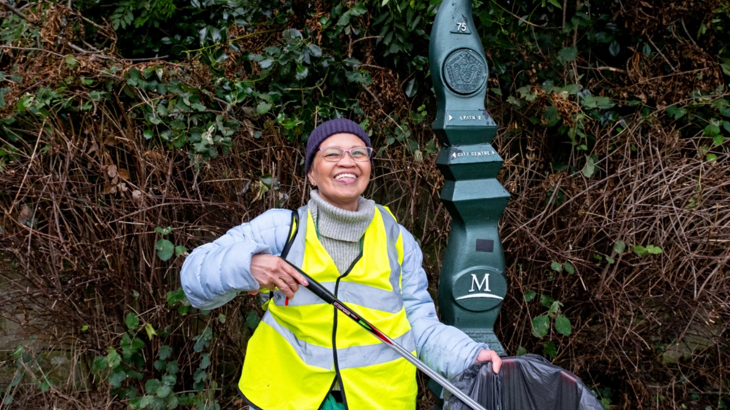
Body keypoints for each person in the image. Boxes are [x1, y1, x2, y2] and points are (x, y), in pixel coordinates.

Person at [180, 119, 502, 410]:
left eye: (358, 153)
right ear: (311, 172)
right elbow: (194, 278)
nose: (347, 161)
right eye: (332, 153)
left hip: (379, 401)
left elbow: (420, 325)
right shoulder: (279, 230)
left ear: (369, 166)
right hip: (285, 399)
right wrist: (248, 264)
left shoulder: (399, 241)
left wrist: (467, 356)